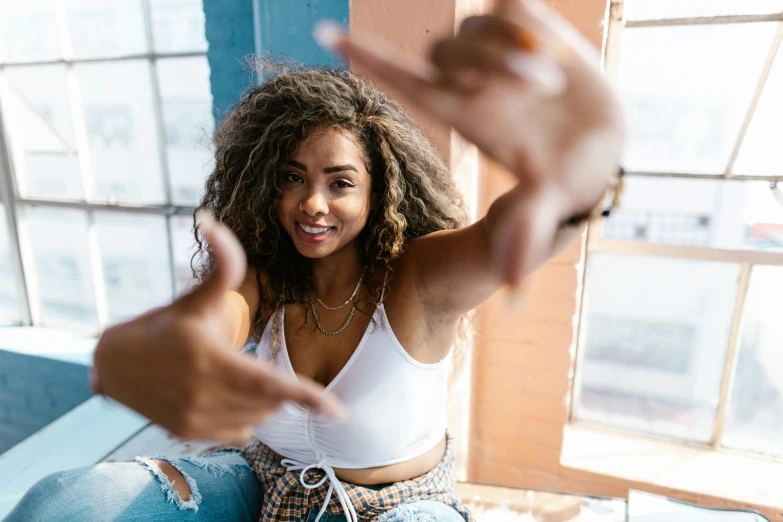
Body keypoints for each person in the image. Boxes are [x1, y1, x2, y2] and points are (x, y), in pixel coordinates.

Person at [4, 0, 624, 521]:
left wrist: (579, 182)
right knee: (61, 503)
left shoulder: (418, 280)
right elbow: (219, 317)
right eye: (292, 177)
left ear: (380, 191)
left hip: (399, 509)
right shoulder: (266, 279)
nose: (312, 204)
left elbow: (499, 239)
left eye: (340, 182)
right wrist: (181, 345)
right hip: (265, 482)